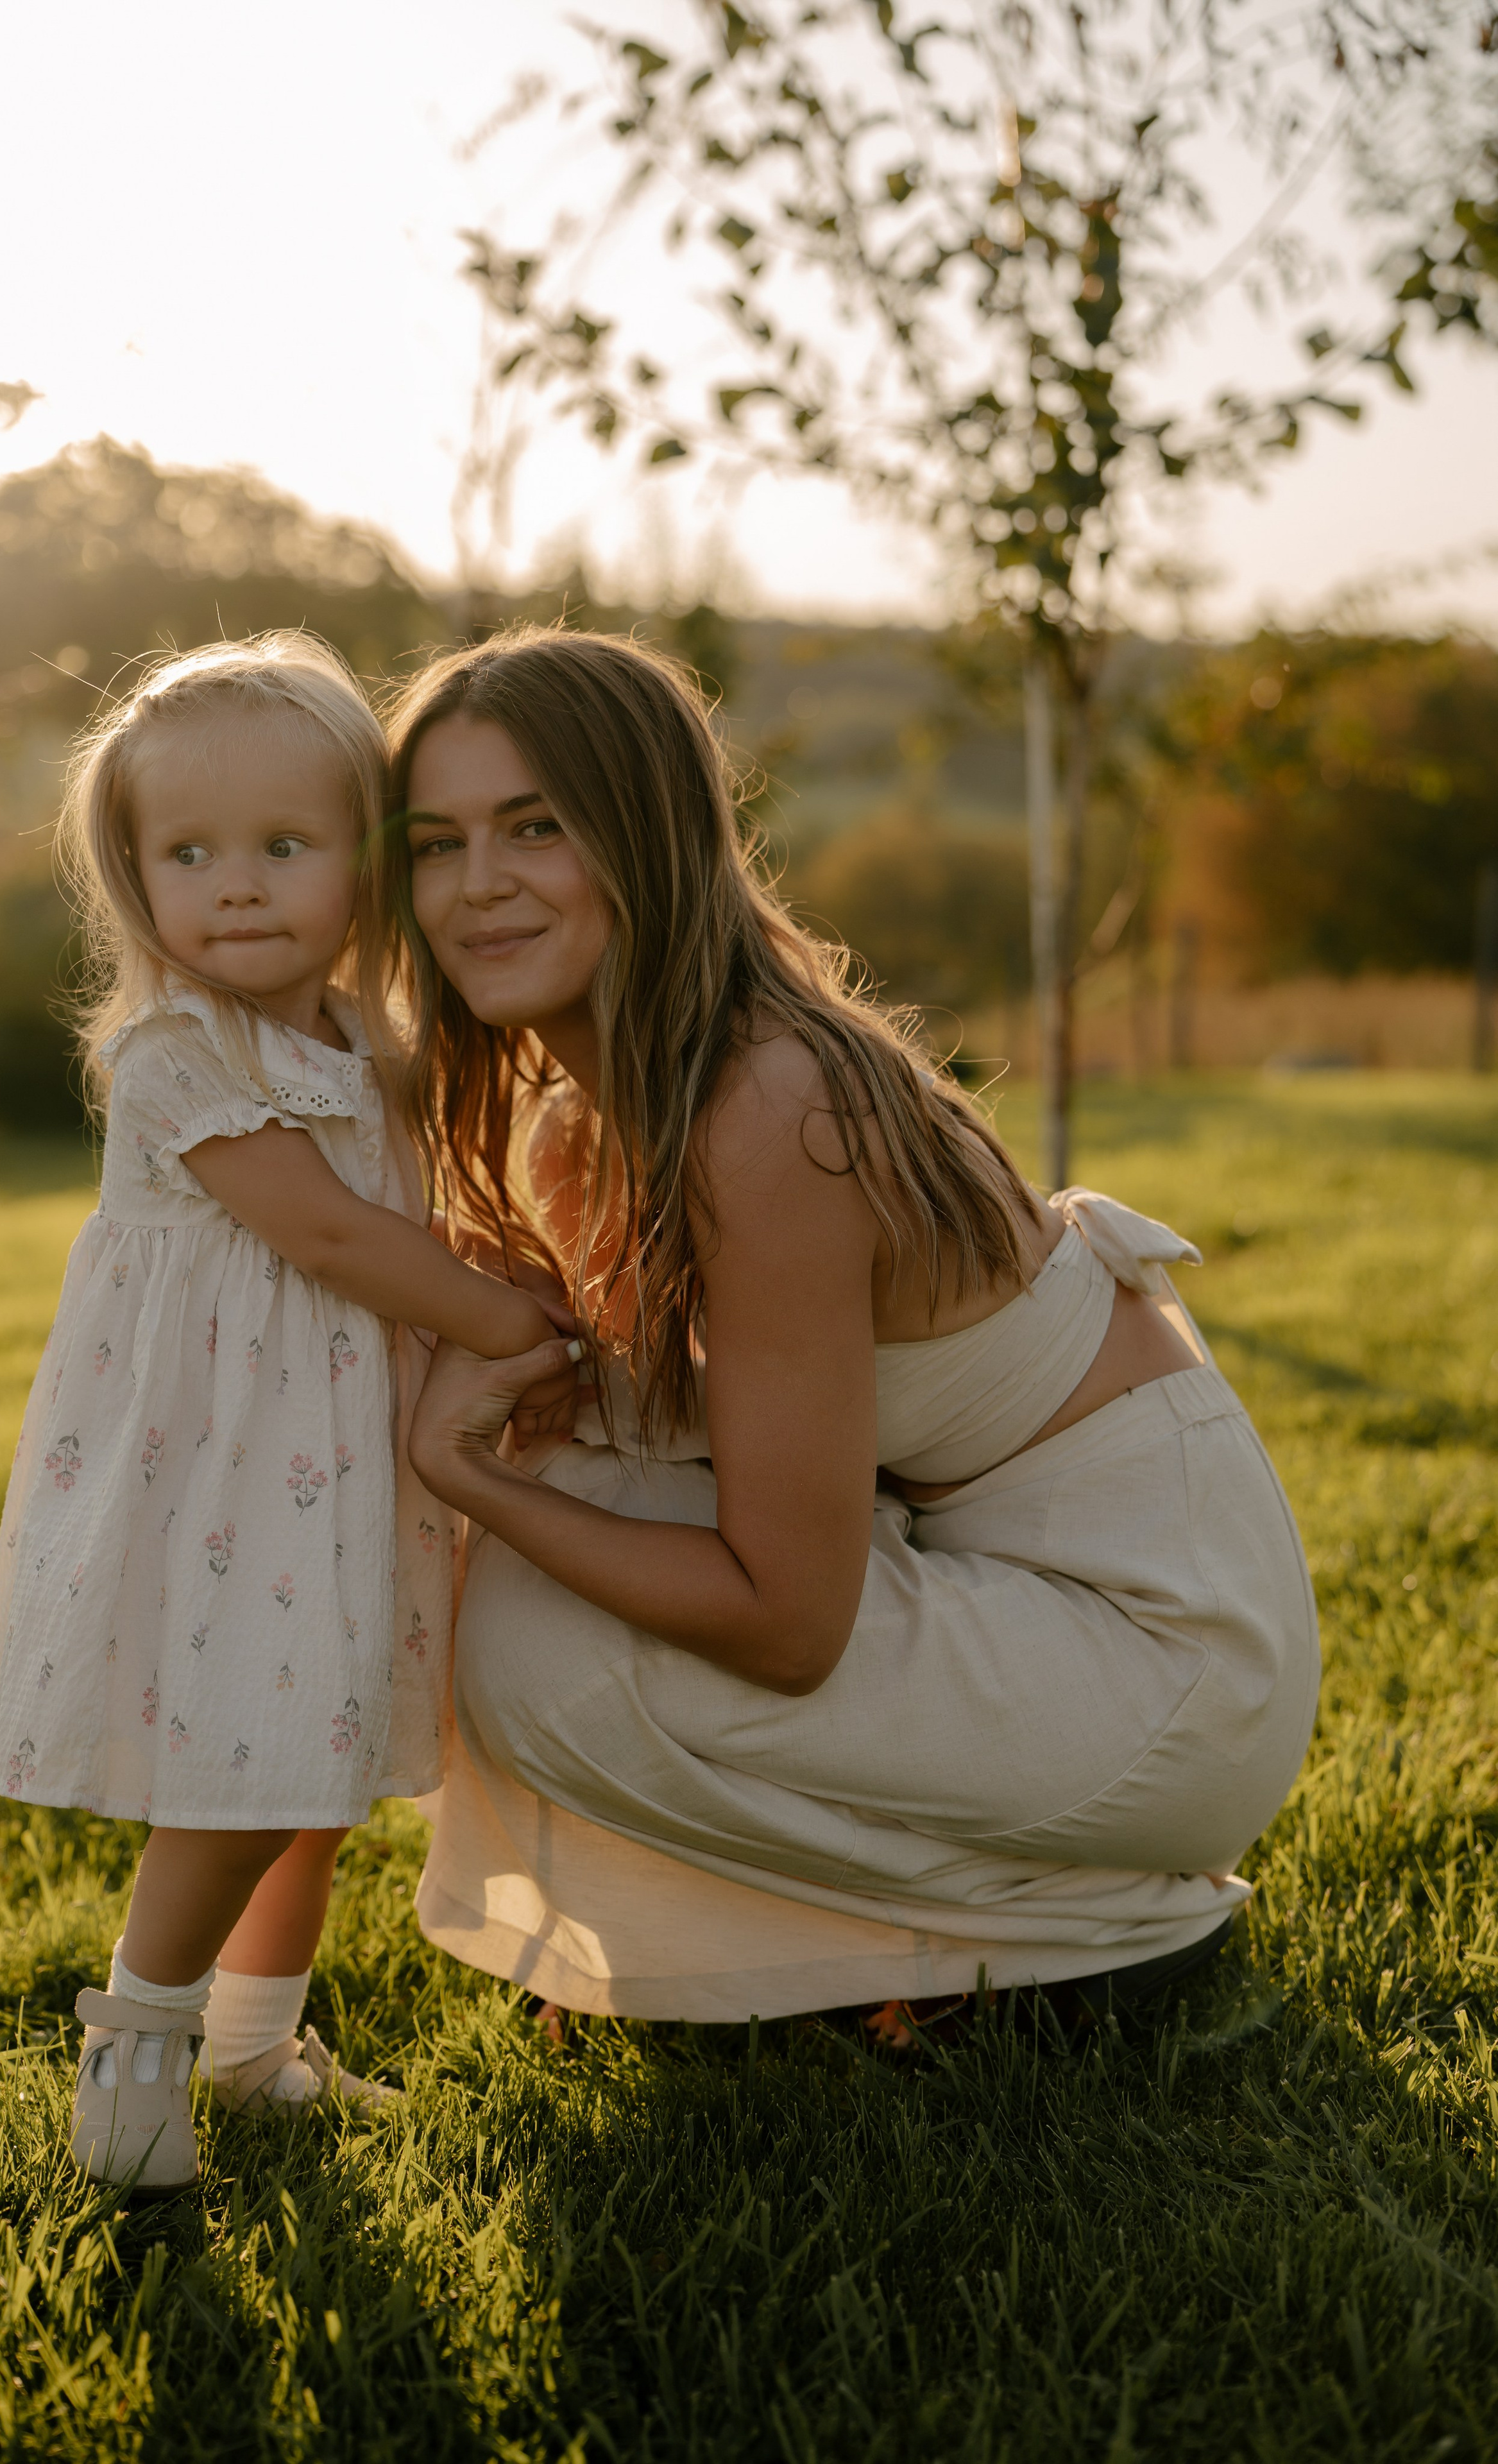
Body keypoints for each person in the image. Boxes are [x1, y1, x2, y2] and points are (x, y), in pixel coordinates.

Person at [385, 625, 1322, 2036]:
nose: (478, 886)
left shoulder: (768, 1109)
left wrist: (470, 1478)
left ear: (647, 835)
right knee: (536, 1563)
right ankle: (837, 1943)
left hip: (1163, 1669)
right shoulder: (592, 1123)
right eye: (434, 841)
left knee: (533, 1641)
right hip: (1004, 1599)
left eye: (535, 826)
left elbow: (785, 1622)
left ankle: (1090, 1935)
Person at [0, 635, 577, 2189]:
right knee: (242, 1771)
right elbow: (328, 1236)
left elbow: (417, 1203)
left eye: (284, 847)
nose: (234, 886)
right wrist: (505, 1319)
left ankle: (252, 2044)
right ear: (136, 874)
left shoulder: (361, 1046)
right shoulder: (177, 1054)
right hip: (224, 1472)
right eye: (189, 854)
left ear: (362, 869)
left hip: (330, 1461)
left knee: (307, 1784)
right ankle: (134, 2055)